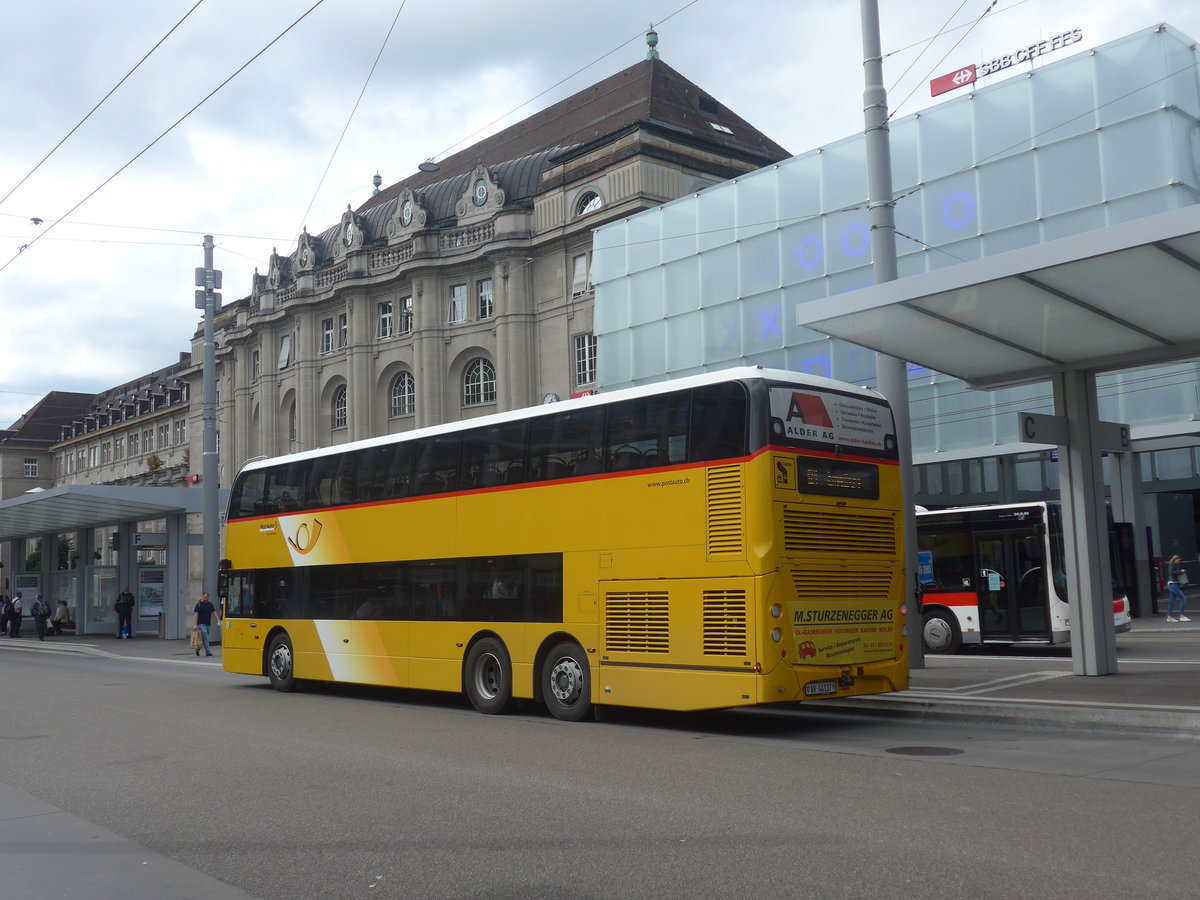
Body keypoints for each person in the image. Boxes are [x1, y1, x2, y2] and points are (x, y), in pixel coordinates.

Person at [1165, 554, 1191, 623]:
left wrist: (1180, 571)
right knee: (1183, 599)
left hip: (1173, 584)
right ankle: (1182, 616)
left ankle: (1169, 617)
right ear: (1175, 559)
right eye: (1178, 561)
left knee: (1172, 601)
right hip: (1173, 584)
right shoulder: (1172, 564)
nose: (1179, 562)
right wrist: (1180, 571)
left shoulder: (1174, 565)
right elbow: (1171, 572)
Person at [193, 591, 219, 657]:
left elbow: (214, 613)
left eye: (207, 597)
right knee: (206, 638)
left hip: (208, 624)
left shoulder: (210, 604)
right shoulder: (199, 604)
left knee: (203, 639)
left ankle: (197, 650)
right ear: (202, 597)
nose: (206, 598)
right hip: (201, 624)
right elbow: (196, 615)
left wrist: (218, 620)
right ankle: (208, 652)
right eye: (205, 597)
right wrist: (195, 624)